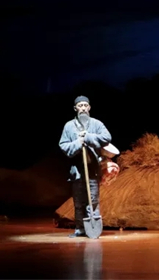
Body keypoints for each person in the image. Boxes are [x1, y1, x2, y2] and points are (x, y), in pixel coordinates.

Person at [58, 96, 112, 238]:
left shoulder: (97, 124)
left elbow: (107, 137)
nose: (82, 108)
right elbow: (63, 145)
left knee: (92, 200)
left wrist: (88, 137)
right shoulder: (69, 126)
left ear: (89, 107)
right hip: (77, 171)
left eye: (85, 105)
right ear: (75, 108)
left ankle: (93, 229)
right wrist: (79, 142)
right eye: (80, 105)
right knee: (79, 201)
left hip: (92, 169)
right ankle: (80, 228)